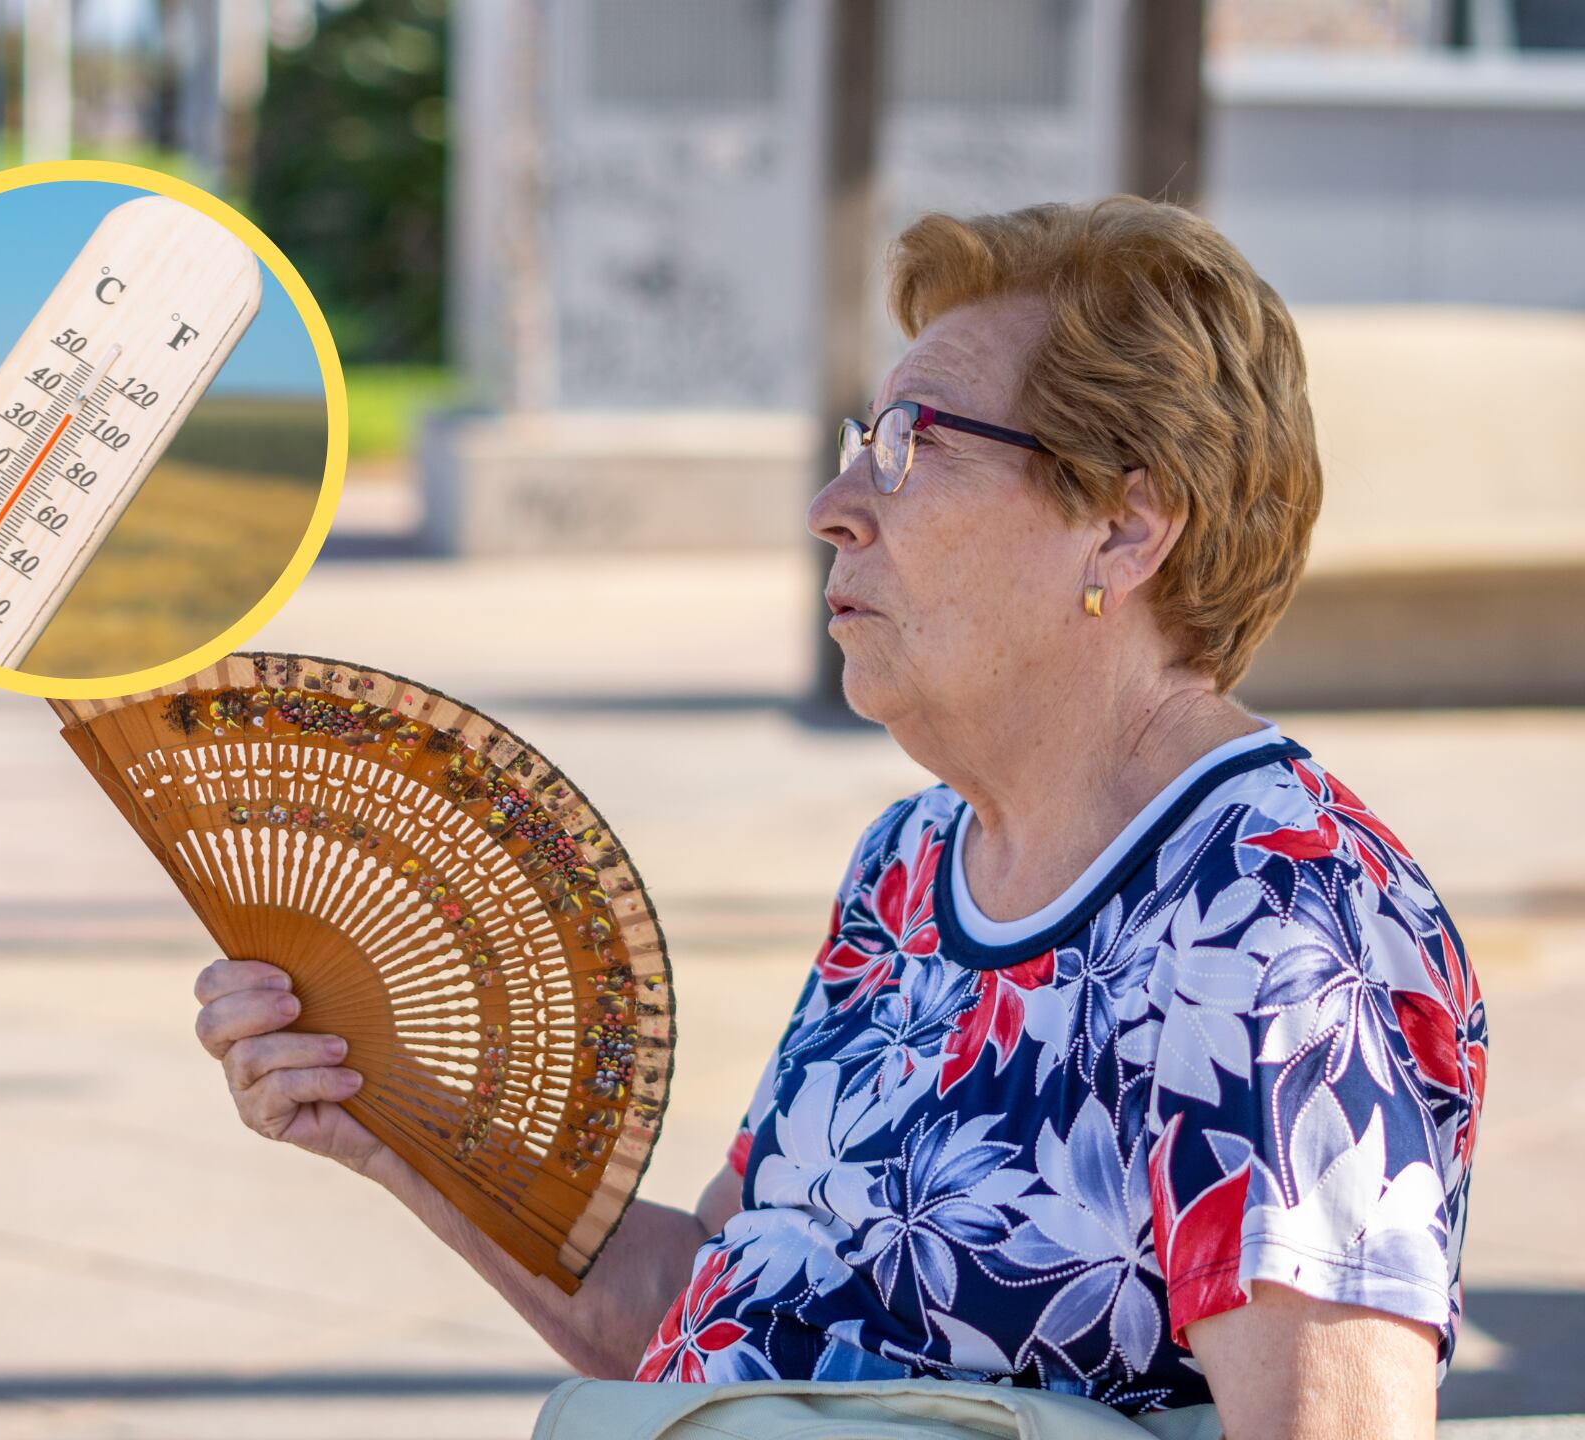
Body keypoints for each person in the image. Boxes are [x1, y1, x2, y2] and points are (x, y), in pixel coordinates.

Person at [192, 195, 1484, 1438]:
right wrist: (399, 1120)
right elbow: (716, 1306)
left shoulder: (1278, 922)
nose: (835, 507)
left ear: (1124, 525)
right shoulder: (917, 866)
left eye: (913, 448)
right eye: (862, 443)